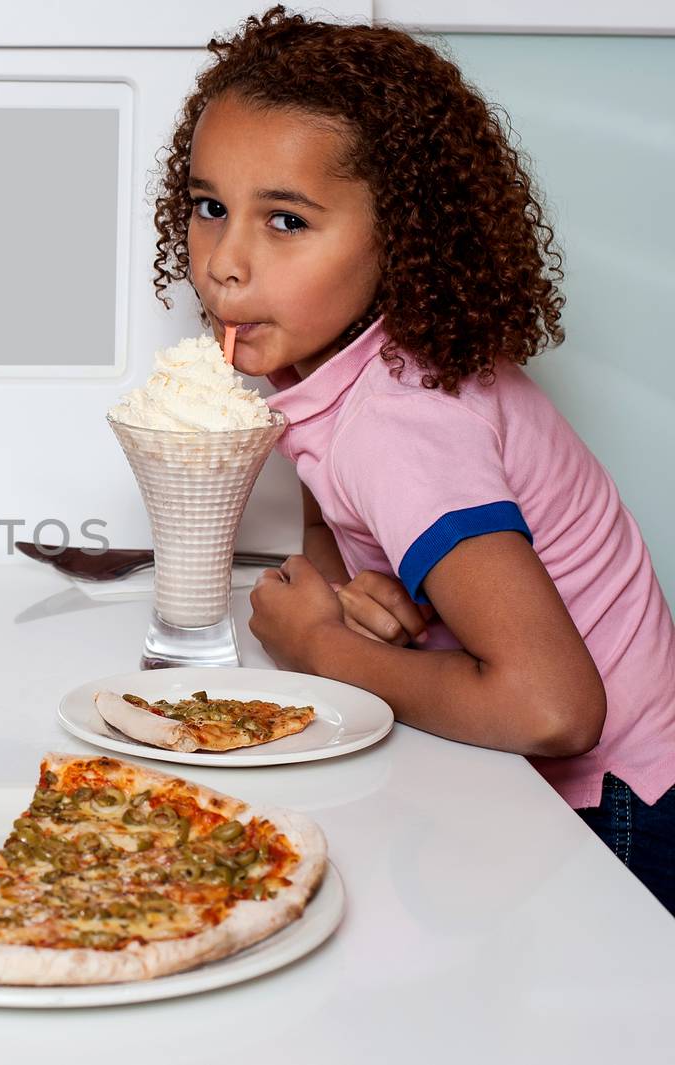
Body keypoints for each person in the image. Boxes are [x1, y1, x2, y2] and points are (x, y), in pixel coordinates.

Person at [150, 7, 675, 911]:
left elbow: (556, 710)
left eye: (285, 220)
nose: (225, 263)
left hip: (611, 810)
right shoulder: (344, 378)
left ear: (402, 236)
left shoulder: (398, 421)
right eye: (210, 207)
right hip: (555, 786)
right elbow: (336, 547)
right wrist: (355, 612)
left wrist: (321, 645)